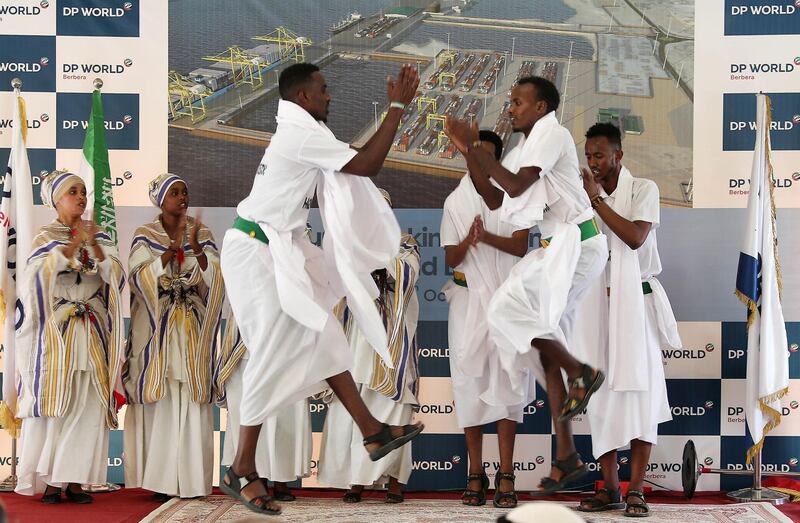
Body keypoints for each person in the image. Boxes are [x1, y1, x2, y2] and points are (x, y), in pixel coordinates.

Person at [220, 62, 424, 516]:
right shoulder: (300, 133)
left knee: (326, 335)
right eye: (324, 90)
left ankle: (372, 429)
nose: (330, 97)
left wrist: (392, 116)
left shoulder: (303, 131)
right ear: (303, 97)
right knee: (273, 349)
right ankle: (241, 467)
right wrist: (396, 106)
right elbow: (368, 164)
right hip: (256, 251)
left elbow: (357, 156)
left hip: (276, 248)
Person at [444, 76, 608, 494]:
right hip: (560, 247)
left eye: (518, 102)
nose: (510, 108)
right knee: (539, 341)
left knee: (505, 311)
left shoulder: (551, 134)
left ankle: (581, 372)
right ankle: (567, 455)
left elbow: (514, 185)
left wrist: (475, 150)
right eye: (511, 101)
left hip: (576, 243)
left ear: (541, 107)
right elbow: (497, 198)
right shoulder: (524, 146)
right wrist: (470, 155)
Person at [574, 123, 679, 517]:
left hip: (637, 306)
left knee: (641, 395)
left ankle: (636, 489)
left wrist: (596, 200)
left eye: (599, 155)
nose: (593, 163)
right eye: (588, 156)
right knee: (599, 396)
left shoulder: (643, 189)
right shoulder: (585, 197)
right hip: (596, 306)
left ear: (619, 155)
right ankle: (610, 488)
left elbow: (634, 237)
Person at [15, 170, 125, 503]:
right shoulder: (44, 235)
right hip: (59, 333)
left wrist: (91, 243)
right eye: (72, 192)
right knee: (60, 401)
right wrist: (73, 244)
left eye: (83, 192)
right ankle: (51, 481)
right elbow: (35, 278)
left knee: (90, 402)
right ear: (56, 199)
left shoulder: (99, 234)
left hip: (92, 330)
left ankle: (76, 480)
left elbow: (116, 275)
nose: (81, 197)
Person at [440, 131, 529, 508]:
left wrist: (486, 236)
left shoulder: (513, 197)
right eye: (476, 157)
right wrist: (469, 241)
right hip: (467, 304)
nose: (482, 164)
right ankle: (475, 473)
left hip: (507, 305)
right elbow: (450, 259)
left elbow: (522, 246)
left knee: (509, 388)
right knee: (469, 387)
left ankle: (506, 475)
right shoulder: (455, 201)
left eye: (489, 158)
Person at [123, 173, 224, 500]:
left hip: (190, 328)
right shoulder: (145, 234)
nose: (183, 198)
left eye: (185, 192)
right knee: (162, 397)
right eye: (176, 193)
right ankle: (160, 481)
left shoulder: (202, 233)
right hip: (157, 331)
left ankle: (191, 480)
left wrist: (195, 249)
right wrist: (169, 251)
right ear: (161, 199)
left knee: (191, 398)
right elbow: (139, 279)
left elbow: (217, 278)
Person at [318, 189, 420, 504]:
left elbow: (408, 272)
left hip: (391, 336)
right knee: (353, 404)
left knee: (393, 405)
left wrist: (379, 261)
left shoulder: (404, 241)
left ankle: (395, 482)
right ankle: (357, 479)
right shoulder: (348, 244)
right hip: (357, 334)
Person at [217, 309, 312, 502]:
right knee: (249, 415)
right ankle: (252, 478)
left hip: (287, 344)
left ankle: (281, 480)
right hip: (244, 347)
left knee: (286, 416)